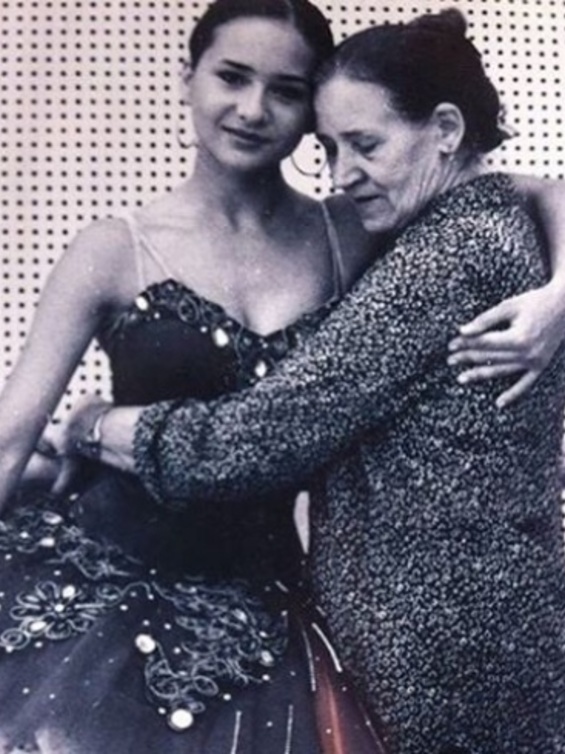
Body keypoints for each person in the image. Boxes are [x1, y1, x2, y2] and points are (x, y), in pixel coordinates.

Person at [64, 10, 565, 754]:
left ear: (445, 130)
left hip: (444, 656)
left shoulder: (444, 259)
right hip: (493, 632)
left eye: (365, 145)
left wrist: (95, 424)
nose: (340, 174)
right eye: (328, 148)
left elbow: (249, 443)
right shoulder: (491, 229)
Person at [0, 2, 393, 752]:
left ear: (313, 106)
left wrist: (558, 296)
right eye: (232, 78)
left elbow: (506, 193)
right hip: (99, 598)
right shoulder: (114, 249)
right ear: (187, 78)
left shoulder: (349, 234)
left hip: (269, 610)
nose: (253, 110)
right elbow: (9, 438)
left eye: (285, 90)